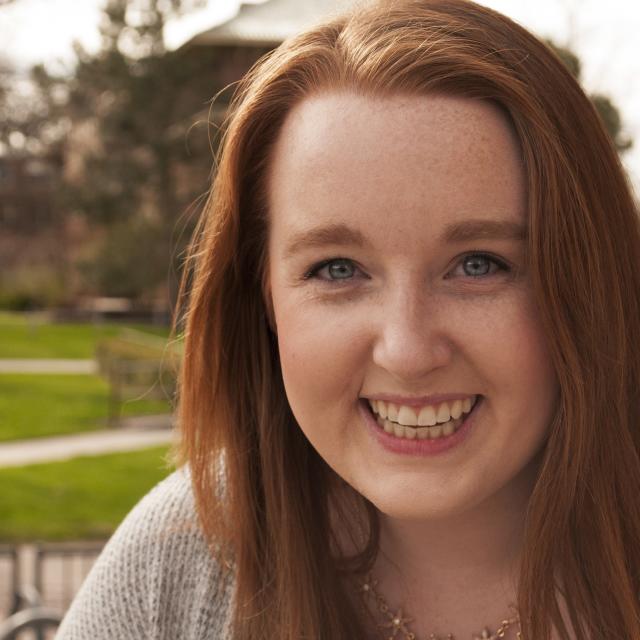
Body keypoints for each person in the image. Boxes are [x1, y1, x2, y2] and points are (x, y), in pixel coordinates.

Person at [56, 0, 640, 638]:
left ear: (590, 280)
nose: (408, 350)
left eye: (479, 264)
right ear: (264, 297)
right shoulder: (173, 565)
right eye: (337, 269)